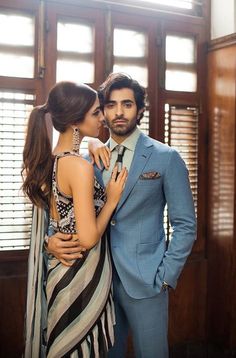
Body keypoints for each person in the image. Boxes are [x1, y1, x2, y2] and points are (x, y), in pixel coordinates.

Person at [46, 73, 197, 358]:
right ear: (101, 111)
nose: (118, 112)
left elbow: (185, 225)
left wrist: (165, 276)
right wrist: (50, 240)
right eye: (111, 105)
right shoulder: (86, 159)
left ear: (140, 109)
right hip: (95, 282)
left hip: (147, 282)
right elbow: (61, 210)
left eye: (127, 104)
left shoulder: (166, 158)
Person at [22, 81, 128, 358]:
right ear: (74, 120)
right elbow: (89, 237)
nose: (102, 117)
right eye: (95, 113)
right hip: (78, 275)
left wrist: (90, 140)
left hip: (59, 273)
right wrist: (112, 199)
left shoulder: (49, 159)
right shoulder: (79, 167)